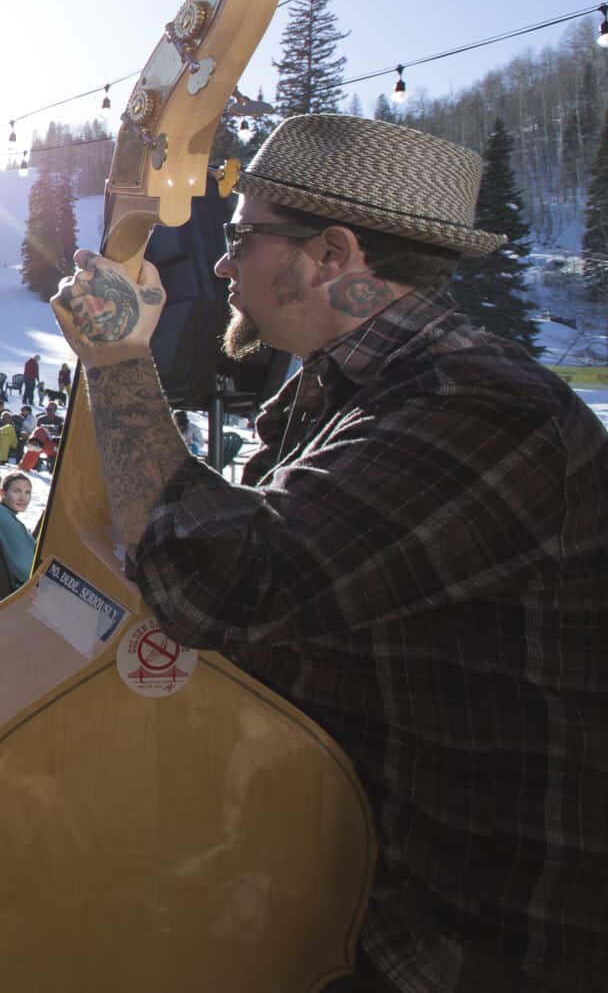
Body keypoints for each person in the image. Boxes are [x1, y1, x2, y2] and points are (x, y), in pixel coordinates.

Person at [49, 114, 608, 991]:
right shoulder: (346, 391)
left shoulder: (481, 407)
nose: (228, 266)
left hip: (467, 946)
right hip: (354, 896)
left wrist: (122, 361)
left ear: (335, 253)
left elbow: (220, 587)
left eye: (245, 239)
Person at [0, 472, 37, 588]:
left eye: (27, 492)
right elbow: (28, 572)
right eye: (16, 491)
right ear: (3, 493)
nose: (23, 498)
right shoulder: (3, 520)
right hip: (7, 591)